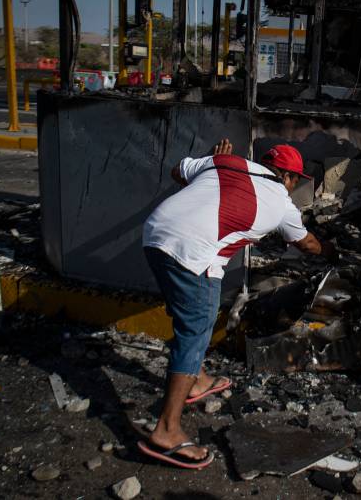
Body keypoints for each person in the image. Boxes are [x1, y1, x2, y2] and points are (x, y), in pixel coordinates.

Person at [137, 139, 337, 469]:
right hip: (192, 252)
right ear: (289, 177)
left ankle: (197, 378)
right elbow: (308, 245)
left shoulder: (226, 162)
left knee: (187, 310)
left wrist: (211, 165)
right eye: (296, 180)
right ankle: (167, 430)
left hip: (155, 234)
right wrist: (333, 251)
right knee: (195, 330)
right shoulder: (282, 203)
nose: (295, 185)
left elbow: (177, 170)